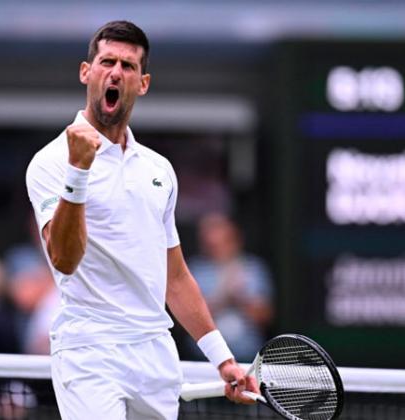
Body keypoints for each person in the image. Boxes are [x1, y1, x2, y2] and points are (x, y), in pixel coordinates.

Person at [25, 20, 258, 419]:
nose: (116, 72)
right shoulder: (49, 163)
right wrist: (78, 171)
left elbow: (175, 276)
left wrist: (222, 359)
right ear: (87, 72)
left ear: (143, 83)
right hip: (89, 350)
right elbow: (63, 259)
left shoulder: (159, 170)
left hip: (154, 351)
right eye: (106, 62)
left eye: (128, 66)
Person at [184, 212, 274, 363]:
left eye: (223, 242)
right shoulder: (194, 270)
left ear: (235, 239)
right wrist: (223, 296)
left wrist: (240, 297)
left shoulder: (252, 268)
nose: (217, 248)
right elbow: (185, 319)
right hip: (204, 359)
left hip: (245, 356)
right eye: (210, 244)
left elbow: (265, 317)